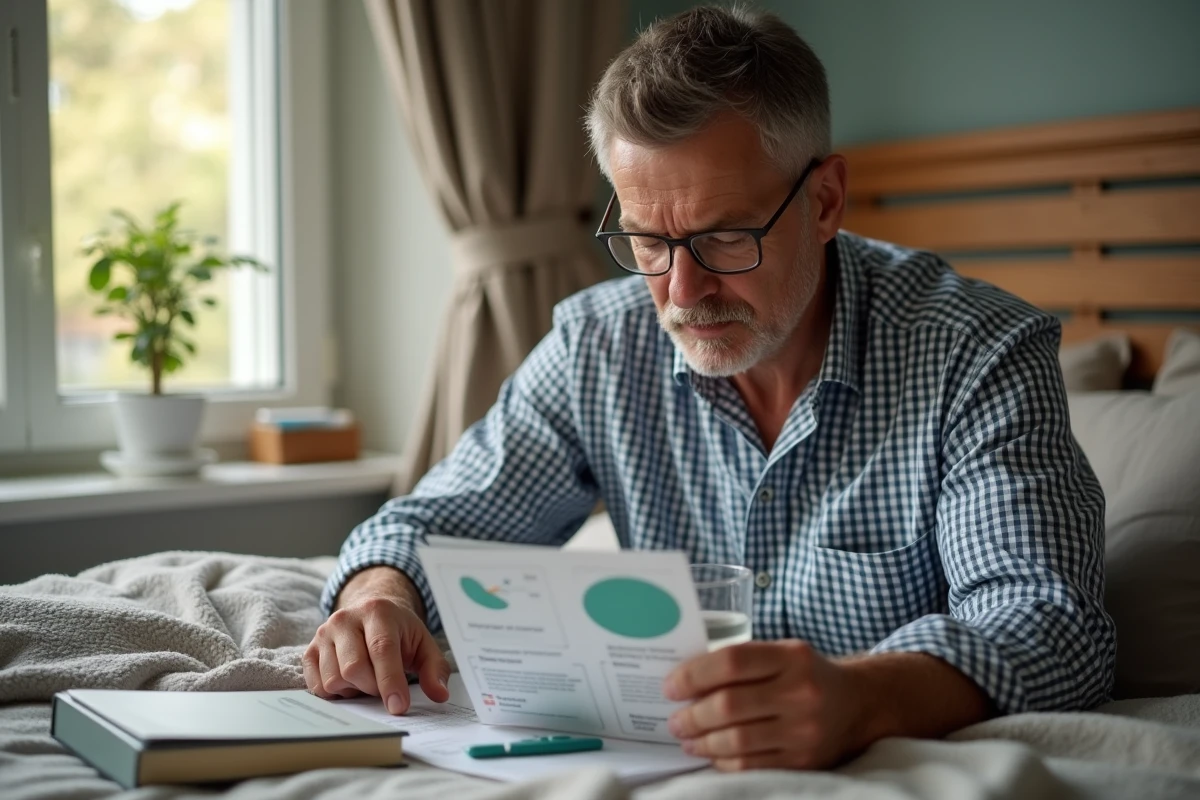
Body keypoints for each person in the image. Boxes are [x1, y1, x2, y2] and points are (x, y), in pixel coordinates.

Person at [305, 6, 1115, 771]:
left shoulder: (976, 354)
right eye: (648, 241)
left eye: (726, 237)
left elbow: (1051, 625)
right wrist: (383, 598)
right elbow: (437, 521)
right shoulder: (600, 343)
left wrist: (864, 698)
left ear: (825, 200)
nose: (683, 291)